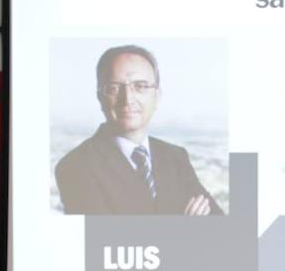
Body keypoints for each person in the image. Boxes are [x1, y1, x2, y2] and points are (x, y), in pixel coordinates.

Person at [54, 44, 224, 215]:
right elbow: (103, 240)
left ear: (157, 96)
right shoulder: (75, 167)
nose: (127, 98)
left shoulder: (176, 158)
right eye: (113, 88)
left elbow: (222, 227)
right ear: (100, 97)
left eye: (140, 86)